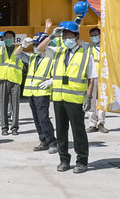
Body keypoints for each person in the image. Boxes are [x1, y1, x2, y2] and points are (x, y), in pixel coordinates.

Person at [37, 20, 97, 174]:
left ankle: (82, 161)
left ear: (76, 37)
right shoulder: (58, 52)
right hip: (59, 98)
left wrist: (88, 98)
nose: (66, 39)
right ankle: (64, 160)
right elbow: (39, 48)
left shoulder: (85, 54)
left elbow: (91, 78)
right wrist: (51, 35)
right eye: (64, 36)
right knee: (61, 132)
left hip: (75, 100)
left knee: (78, 132)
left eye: (69, 36)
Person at [16, 19, 57, 154]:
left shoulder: (50, 57)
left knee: (44, 118)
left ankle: (52, 142)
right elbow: (17, 55)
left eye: (37, 44)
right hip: (32, 93)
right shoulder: (33, 57)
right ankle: (43, 140)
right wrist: (22, 45)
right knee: (37, 118)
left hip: (42, 92)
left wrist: (52, 81)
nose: (35, 47)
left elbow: (57, 73)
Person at [0, 27, 23, 135]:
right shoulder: (0, 49)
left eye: (10, 38)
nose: (7, 39)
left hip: (15, 80)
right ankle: (4, 128)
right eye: (5, 38)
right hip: (1, 80)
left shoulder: (18, 51)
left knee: (15, 105)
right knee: (2, 104)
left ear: (14, 39)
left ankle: (15, 127)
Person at [85, 27, 108, 134]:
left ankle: (101, 123)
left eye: (95, 35)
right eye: (92, 36)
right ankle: (92, 124)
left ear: (100, 35)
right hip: (92, 78)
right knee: (91, 101)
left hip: (104, 77)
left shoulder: (106, 48)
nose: (94, 37)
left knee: (102, 101)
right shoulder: (89, 48)